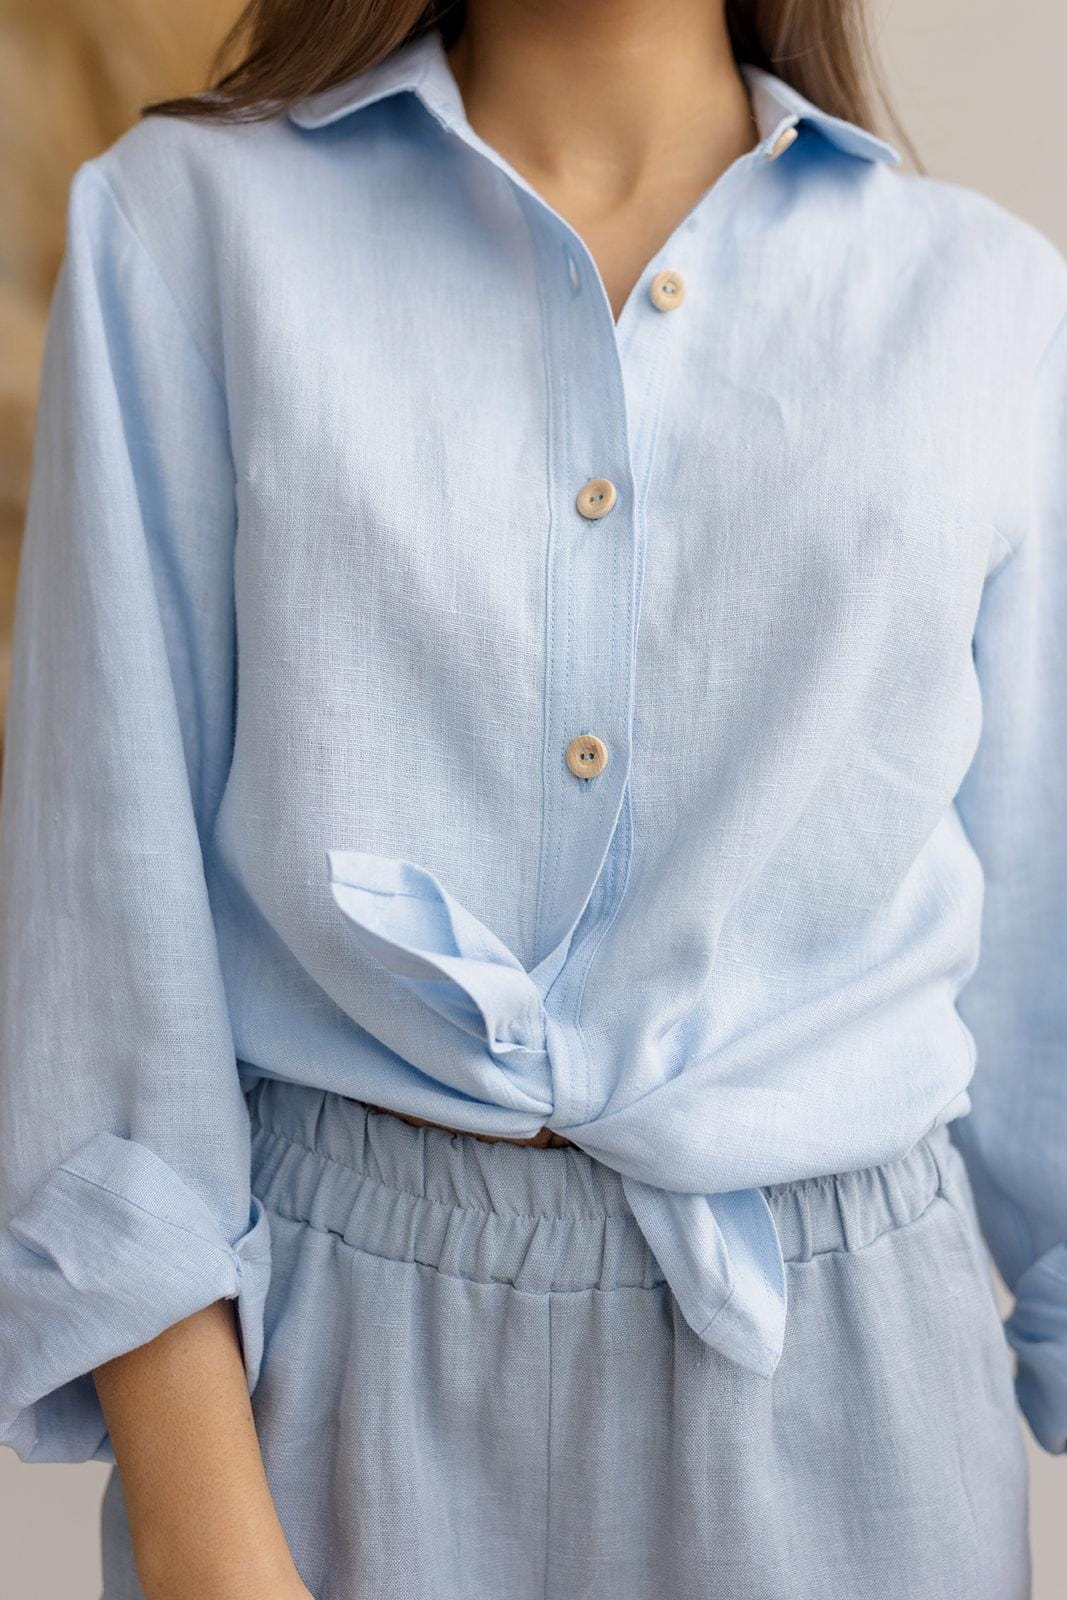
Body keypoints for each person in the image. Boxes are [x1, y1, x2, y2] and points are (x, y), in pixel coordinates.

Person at [1, 0, 1064, 1595]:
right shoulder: (184, 231)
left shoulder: (988, 303)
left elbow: (1048, 967)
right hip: (334, 1395)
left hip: (854, 1402)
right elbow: (103, 951)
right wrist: (210, 1543)